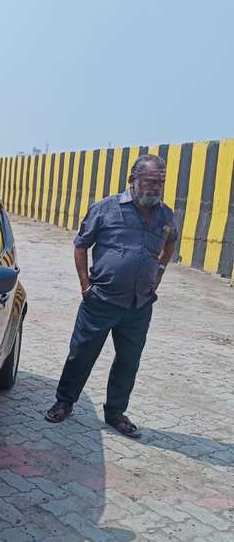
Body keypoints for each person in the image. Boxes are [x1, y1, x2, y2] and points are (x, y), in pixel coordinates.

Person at [44, 154, 178, 438]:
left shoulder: (165, 214)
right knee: (81, 354)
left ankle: (115, 413)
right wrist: (85, 286)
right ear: (133, 180)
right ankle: (64, 402)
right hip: (101, 300)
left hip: (139, 305)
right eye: (151, 181)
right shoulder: (106, 208)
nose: (156, 187)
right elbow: (81, 245)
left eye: (161, 182)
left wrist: (160, 272)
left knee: (128, 361)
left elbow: (171, 242)